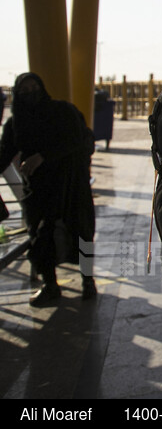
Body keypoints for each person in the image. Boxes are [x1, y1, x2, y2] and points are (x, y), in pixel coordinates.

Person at [0, 73, 97, 307]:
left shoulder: (63, 111)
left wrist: (42, 157)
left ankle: (87, 280)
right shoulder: (17, 123)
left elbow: (79, 140)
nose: (30, 92)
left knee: (81, 231)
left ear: (42, 88)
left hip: (70, 184)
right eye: (24, 90)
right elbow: (4, 153)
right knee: (40, 236)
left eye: (34, 87)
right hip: (39, 190)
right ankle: (50, 285)